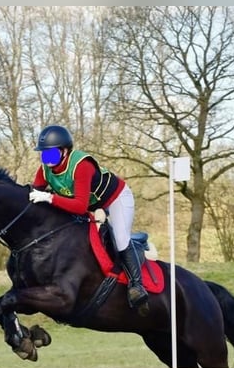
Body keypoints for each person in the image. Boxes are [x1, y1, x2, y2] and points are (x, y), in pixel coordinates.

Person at [29, 124, 148, 312]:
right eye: (44, 154)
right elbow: (35, 196)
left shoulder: (81, 165)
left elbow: (79, 206)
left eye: (50, 153)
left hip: (116, 198)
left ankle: (137, 285)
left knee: (121, 239)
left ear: (65, 151)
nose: (46, 158)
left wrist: (50, 197)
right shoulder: (44, 170)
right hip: (94, 204)